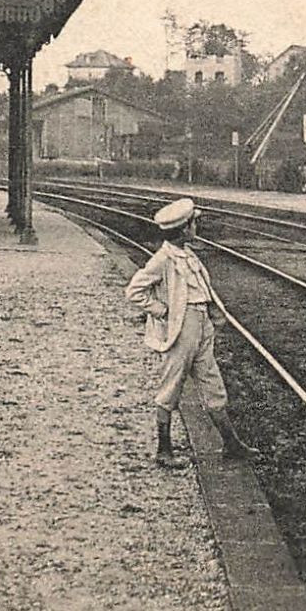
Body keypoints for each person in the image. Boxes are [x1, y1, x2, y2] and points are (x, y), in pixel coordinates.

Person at [125, 198, 261, 469]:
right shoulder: (163, 259)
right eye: (193, 223)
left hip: (201, 325)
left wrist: (212, 316)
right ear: (184, 228)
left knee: (212, 382)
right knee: (171, 385)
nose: (196, 226)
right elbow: (134, 290)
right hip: (181, 328)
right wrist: (161, 310)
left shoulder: (189, 255)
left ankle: (231, 444)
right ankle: (164, 449)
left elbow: (204, 292)